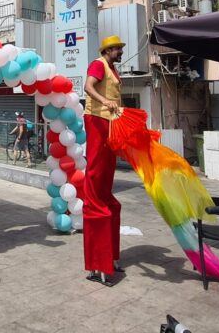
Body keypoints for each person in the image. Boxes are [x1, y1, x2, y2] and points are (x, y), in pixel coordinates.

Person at [82, 35, 126, 285]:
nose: (120, 52)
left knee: (107, 181)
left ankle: (111, 257)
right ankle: (98, 262)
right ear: (109, 50)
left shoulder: (112, 69)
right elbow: (88, 87)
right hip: (97, 120)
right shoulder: (98, 64)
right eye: (118, 49)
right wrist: (106, 102)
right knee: (97, 172)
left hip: (110, 123)